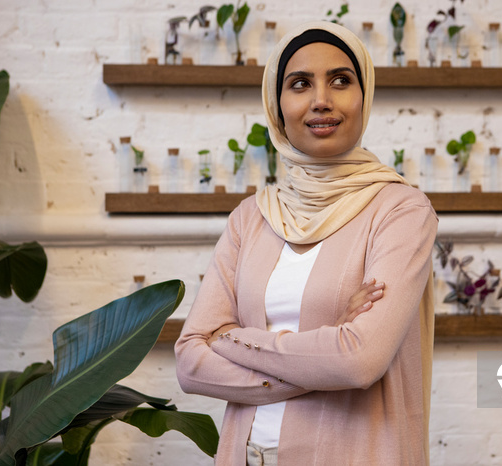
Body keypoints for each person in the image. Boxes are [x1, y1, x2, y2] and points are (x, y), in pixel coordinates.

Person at [175, 20, 438, 465]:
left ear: (363, 96)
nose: (321, 100)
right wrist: (329, 342)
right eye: (300, 84)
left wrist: (231, 339)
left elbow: (359, 361)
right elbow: (190, 362)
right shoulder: (251, 217)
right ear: (277, 106)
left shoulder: (401, 211)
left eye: (340, 80)